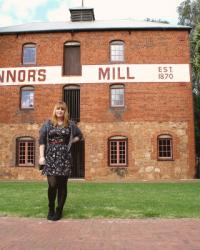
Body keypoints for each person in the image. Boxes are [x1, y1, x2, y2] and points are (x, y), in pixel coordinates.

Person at [39, 101, 82, 221]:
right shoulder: (48, 124)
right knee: (52, 184)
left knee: (62, 185)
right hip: (51, 156)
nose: (60, 111)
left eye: (62, 109)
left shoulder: (70, 124)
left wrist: (70, 142)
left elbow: (79, 135)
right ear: (55, 110)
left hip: (64, 157)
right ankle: (51, 208)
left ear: (65, 111)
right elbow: (41, 140)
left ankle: (59, 210)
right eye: (58, 109)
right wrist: (41, 157)